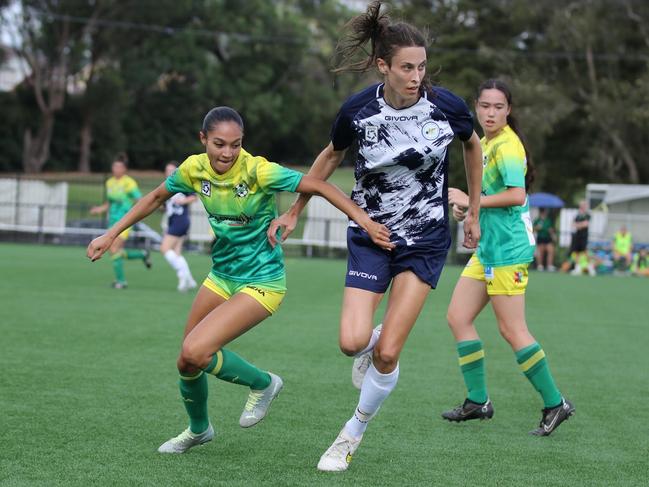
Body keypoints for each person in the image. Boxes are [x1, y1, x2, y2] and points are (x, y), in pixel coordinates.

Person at [86, 106, 392, 455]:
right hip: (221, 276)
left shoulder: (258, 170)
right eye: (219, 144)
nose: (228, 153)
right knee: (187, 361)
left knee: (195, 350)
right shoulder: (193, 168)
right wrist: (111, 234)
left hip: (262, 282)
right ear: (203, 140)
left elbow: (320, 186)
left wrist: (365, 222)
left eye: (235, 144)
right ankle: (198, 430)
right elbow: (155, 197)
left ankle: (263, 383)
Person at [268, 1, 482, 472]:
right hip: (370, 236)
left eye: (422, 66)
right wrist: (295, 210)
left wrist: (475, 212)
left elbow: (472, 144)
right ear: (383, 66)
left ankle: (350, 434)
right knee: (352, 342)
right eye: (406, 67)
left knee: (387, 353)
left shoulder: (445, 106)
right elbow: (328, 158)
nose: (416, 76)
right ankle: (379, 335)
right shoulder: (358, 110)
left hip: (425, 239)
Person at [445, 79, 574, 436]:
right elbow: (486, 196)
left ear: (508, 111)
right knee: (458, 317)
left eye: (497, 107)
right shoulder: (483, 143)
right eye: (484, 106)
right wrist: (467, 212)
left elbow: (517, 195)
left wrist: (471, 202)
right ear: (476, 107)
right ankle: (477, 401)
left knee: (512, 330)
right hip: (488, 249)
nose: (489, 112)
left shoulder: (508, 146)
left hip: (509, 252)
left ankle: (555, 403)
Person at [90, 153, 151, 288]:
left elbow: (140, 200)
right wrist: (99, 209)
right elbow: (108, 203)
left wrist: (136, 214)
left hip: (125, 222)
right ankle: (142, 254)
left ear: (124, 169)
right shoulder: (109, 182)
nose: (116, 169)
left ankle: (121, 281)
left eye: (119, 167)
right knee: (116, 251)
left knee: (113, 249)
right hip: (112, 222)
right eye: (114, 166)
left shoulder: (129, 183)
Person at [161, 161, 198, 291]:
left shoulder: (181, 183)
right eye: (167, 170)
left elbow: (194, 197)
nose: (169, 172)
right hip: (174, 221)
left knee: (164, 248)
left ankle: (183, 275)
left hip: (180, 221)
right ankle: (190, 280)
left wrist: (183, 201)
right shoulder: (167, 185)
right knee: (176, 252)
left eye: (172, 169)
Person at [567, 200, 591, 275]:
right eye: (581, 205)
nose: (582, 207)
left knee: (585, 252)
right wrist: (580, 225)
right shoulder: (577, 215)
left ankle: (590, 267)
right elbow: (573, 224)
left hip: (584, 236)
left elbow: (586, 224)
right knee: (576, 252)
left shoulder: (587, 215)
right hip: (577, 236)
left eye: (584, 205)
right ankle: (577, 268)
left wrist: (578, 225)